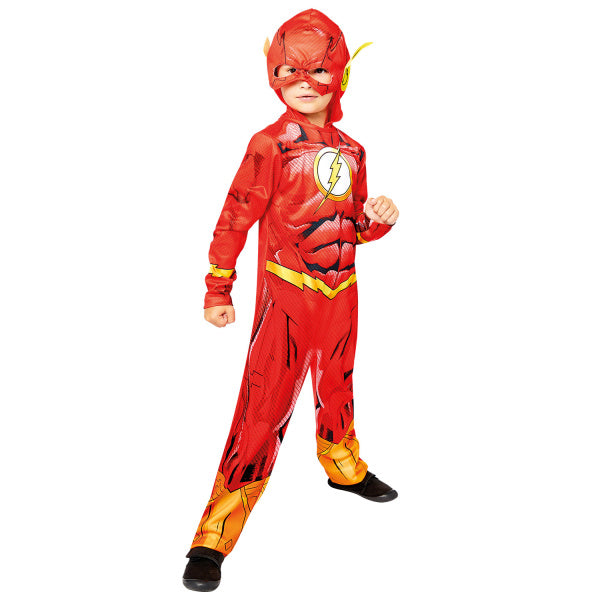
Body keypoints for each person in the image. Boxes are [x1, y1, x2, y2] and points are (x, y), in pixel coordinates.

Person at [183, 9, 399, 592]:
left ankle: (343, 467)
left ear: (341, 74)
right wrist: (218, 288)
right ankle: (213, 537)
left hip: (342, 294)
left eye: (318, 70)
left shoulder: (353, 150)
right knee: (262, 410)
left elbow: (351, 228)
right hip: (286, 296)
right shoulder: (269, 144)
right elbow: (235, 216)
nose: (303, 82)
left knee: (339, 387)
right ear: (273, 75)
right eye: (288, 71)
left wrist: (379, 218)